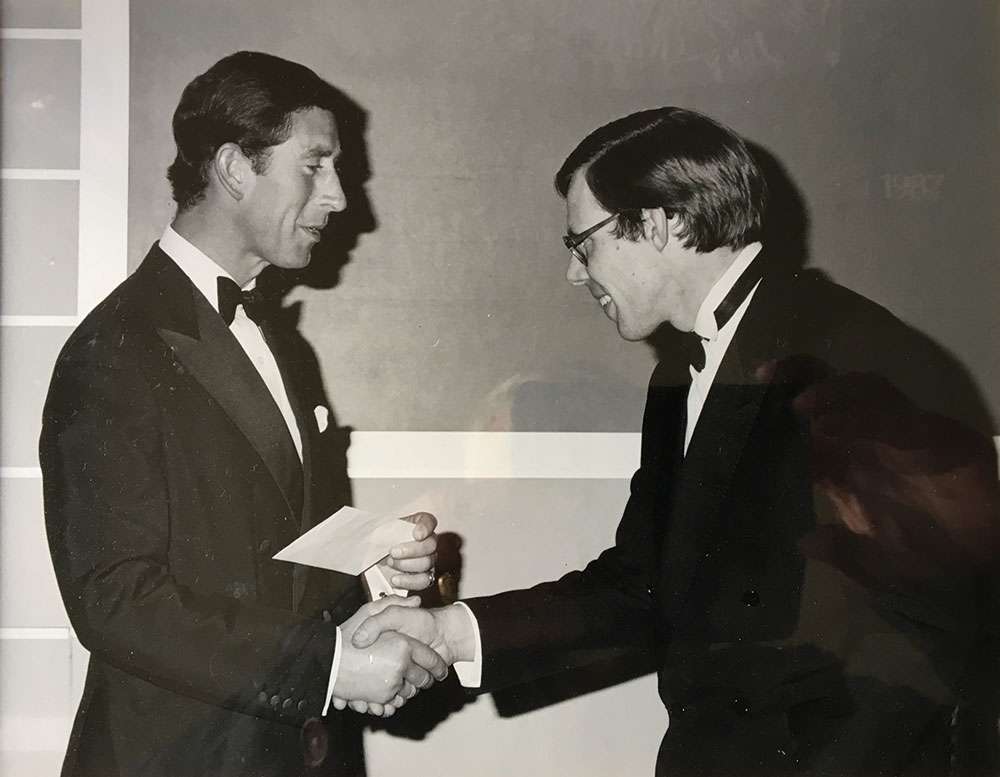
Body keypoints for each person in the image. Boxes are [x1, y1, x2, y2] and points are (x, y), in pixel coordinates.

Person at [350, 107, 1000, 775]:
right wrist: (451, 630)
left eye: (582, 243)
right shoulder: (676, 379)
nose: (574, 272)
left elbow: (928, 640)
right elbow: (643, 586)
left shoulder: (855, 351)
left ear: (658, 224)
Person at [40, 51, 447, 777]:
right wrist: (329, 666)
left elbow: (275, 553)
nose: (339, 198)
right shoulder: (114, 347)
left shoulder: (282, 343)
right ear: (234, 167)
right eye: (315, 166)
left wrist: (371, 575)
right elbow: (115, 599)